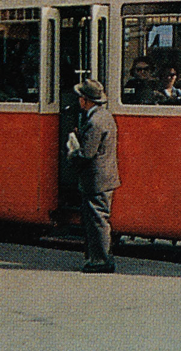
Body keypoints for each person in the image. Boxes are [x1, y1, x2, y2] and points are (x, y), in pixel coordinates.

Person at [66, 79, 119, 273]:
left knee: (97, 219)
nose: (79, 100)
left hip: (96, 178)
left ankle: (100, 260)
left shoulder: (94, 121)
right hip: (105, 176)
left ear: (86, 100)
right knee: (98, 218)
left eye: (81, 97)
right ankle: (98, 257)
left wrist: (72, 153)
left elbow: (87, 153)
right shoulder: (105, 116)